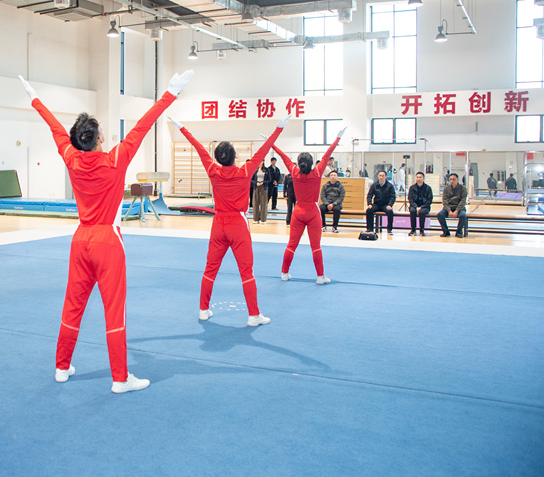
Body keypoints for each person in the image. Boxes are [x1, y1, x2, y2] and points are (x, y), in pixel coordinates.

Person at [18, 70, 193, 393]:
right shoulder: (115, 160)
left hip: (80, 240)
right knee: (114, 310)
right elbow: (143, 126)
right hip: (108, 242)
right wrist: (170, 93)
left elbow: (55, 127)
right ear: (99, 139)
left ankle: (61, 366)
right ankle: (120, 378)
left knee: (73, 305)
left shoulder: (71, 158)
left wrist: (35, 99)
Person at [171, 114, 289, 326]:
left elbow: (198, 148)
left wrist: (182, 128)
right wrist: (278, 128)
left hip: (219, 224)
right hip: (237, 225)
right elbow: (263, 151)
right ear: (235, 157)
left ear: (218, 158)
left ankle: (203, 310)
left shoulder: (213, 170)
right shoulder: (245, 171)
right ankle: (253, 315)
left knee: (210, 269)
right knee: (246, 271)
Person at [267, 128, 346, 285]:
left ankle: (284, 273)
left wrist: (271, 144)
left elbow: (283, 157)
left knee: (291, 245)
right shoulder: (316, 173)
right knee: (315, 246)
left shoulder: (294, 172)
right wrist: (337, 138)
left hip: (298, 212)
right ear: (310, 163)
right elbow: (327, 155)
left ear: (298, 163)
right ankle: (320, 276)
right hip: (312, 212)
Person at [437, 173, 468, 238]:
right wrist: (449, 211)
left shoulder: (463, 188)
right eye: (450, 179)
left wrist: (456, 211)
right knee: (440, 215)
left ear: (457, 180)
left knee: (463, 215)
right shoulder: (446, 188)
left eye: (454, 179)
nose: (452, 181)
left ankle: (459, 231)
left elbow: (463, 201)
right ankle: (446, 232)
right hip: (449, 208)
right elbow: (445, 200)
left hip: (459, 208)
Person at [365, 170, 396, 234]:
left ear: (385, 177)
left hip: (386, 205)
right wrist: (369, 204)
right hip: (377, 204)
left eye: (383, 176)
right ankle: (370, 229)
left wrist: (390, 205)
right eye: (380, 175)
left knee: (390, 212)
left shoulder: (390, 186)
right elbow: (369, 195)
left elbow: (393, 196)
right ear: (378, 176)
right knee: (369, 210)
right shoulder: (374, 185)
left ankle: (389, 229)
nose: (381, 177)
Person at [407, 171, 433, 236]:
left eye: (420, 177)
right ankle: (413, 230)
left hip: (424, 206)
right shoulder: (412, 188)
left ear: (423, 178)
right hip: (414, 206)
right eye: (417, 177)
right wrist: (416, 207)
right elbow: (410, 199)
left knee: (422, 212)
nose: (418, 179)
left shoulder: (428, 188)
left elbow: (429, 200)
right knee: (412, 211)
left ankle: (422, 230)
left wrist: (421, 207)